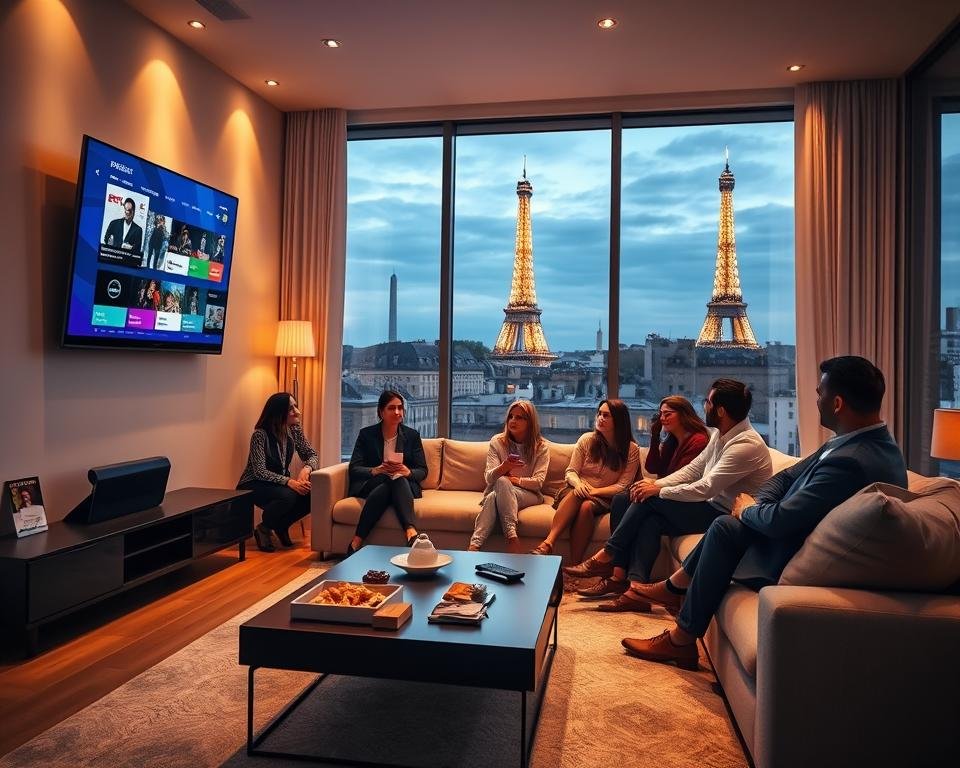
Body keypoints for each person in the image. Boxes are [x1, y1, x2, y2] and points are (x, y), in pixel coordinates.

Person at [621, 356, 907, 670]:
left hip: (792, 552)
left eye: (819, 393)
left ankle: (678, 628)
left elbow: (780, 521)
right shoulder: (851, 443)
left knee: (723, 527)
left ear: (837, 403)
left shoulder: (851, 459)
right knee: (719, 526)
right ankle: (675, 605)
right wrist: (759, 505)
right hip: (789, 529)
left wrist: (750, 509)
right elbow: (783, 478)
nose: (816, 400)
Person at [564, 380, 772, 608]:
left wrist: (658, 490)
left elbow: (707, 487)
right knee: (641, 511)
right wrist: (656, 484)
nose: (705, 406)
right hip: (709, 505)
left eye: (708, 402)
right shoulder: (720, 434)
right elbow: (693, 469)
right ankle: (633, 589)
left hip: (724, 514)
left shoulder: (745, 444)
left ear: (720, 410)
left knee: (646, 501)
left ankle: (609, 556)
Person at [530, 399, 640, 564]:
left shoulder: (631, 449)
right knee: (579, 496)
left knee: (587, 505)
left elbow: (623, 486)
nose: (600, 418)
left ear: (618, 420)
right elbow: (571, 471)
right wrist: (579, 484)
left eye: (606, 415)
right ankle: (549, 544)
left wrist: (595, 491)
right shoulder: (587, 440)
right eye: (599, 414)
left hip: (604, 497)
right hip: (573, 492)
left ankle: (573, 563)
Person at [347, 390, 428, 554]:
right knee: (390, 480)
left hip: (403, 485)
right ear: (381, 412)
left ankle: (356, 541)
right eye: (392, 408)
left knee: (395, 479)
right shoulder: (366, 435)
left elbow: (423, 470)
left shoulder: (412, 436)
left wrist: (407, 472)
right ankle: (410, 532)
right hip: (374, 482)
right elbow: (354, 468)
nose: (397, 412)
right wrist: (376, 470)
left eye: (400, 408)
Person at [238, 392, 319, 551]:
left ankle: (281, 525)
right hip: (253, 484)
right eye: (291, 408)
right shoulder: (260, 435)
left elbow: (312, 454)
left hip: (278, 484)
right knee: (288, 495)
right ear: (278, 412)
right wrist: (289, 482)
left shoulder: (294, 431)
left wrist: (307, 468)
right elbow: (260, 471)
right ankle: (264, 528)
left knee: (312, 494)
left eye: (296, 406)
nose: (297, 412)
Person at [469, 400, 550, 554]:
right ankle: (508, 537)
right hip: (499, 490)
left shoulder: (541, 446)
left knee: (501, 484)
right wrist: (504, 467)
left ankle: (475, 546)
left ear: (530, 422)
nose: (513, 420)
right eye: (511, 416)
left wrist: (515, 480)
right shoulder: (497, 442)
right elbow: (489, 478)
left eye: (519, 417)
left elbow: (538, 482)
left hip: (529, 494)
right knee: (496, 491)